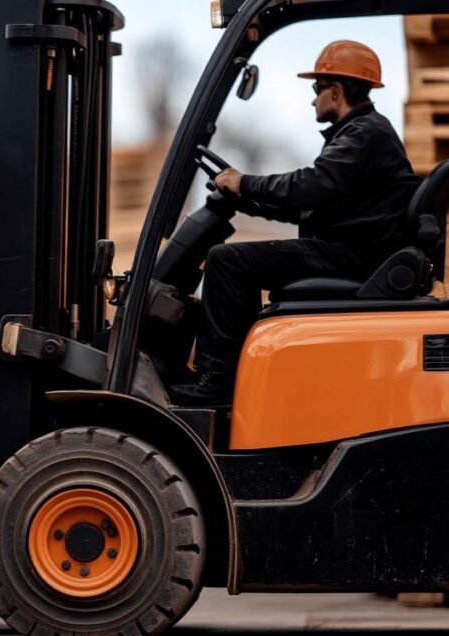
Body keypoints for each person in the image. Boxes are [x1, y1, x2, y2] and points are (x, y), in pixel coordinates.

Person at [171, 40, 421, 406]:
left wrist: (246, 183)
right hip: (355, 250)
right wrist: (249, 201)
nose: (312, 99)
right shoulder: (362, 133)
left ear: (335, 92)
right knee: (235, 260)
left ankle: (218, 380)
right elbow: (312, 206)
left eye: (316, 89)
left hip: (354, 256)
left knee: (227, 261)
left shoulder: (364, 133)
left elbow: (311, 186)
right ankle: (228, 374)